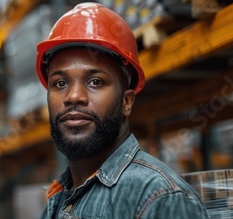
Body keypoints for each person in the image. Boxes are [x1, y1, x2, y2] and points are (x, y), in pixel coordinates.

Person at [35, 3, 210, 219]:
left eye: (95, 81)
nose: (73, 97)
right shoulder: (58, 197)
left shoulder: (159, 198)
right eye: (60, 83)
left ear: (127, 102)